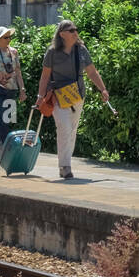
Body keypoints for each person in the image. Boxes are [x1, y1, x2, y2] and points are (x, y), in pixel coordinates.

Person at [37, 19, 109, 180]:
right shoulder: (52, 52)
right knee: (64, 128)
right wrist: (40, 97)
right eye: (71, 30)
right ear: (62, 34)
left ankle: (65, 163)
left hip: (77, 95)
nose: (75, 32)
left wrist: (102, 89)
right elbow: (45, 76)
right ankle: (65, 166)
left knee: (72, 131)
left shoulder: (81, 50)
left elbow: (91, 72)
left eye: (76, 29)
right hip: (58, 96)